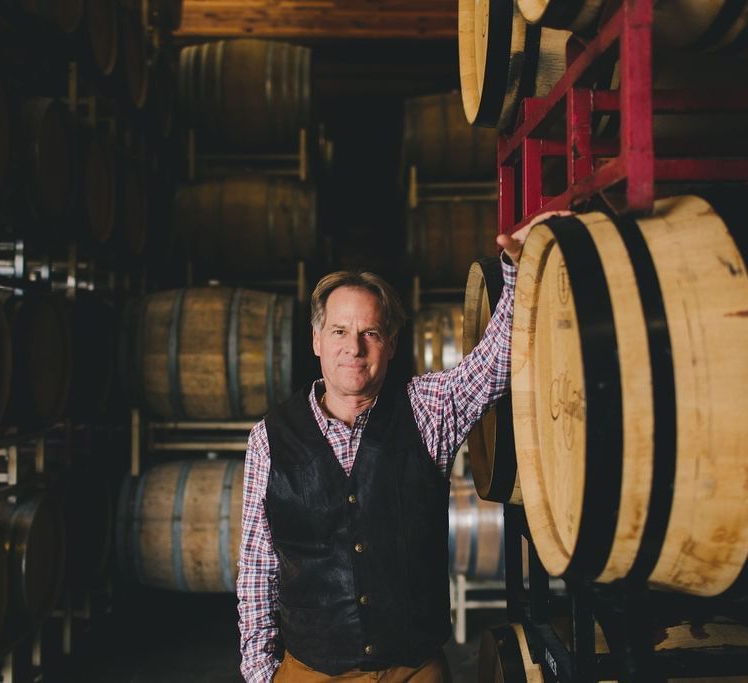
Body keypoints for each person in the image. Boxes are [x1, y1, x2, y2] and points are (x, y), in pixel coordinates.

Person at [237, 215, 558, 682]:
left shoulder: (426, 410)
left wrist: (516, 269)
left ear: (390, 344)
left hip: (413, 670)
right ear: (316, 340)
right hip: (310, 671)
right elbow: (256, 572)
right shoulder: (269, 438)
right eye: (340, 332)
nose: (355, 347)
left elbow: (495, 365)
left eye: (370, 333)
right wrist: (260, 674)